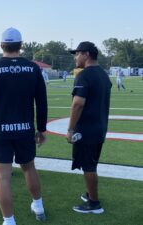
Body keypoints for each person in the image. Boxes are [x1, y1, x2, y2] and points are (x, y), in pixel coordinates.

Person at [0, 28, 48, 225]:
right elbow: (42, 101)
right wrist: (41, 129)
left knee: (3, 177)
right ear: (21, 45)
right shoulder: (33, 68)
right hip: (25, 128)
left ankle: (9, 221)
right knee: (29, 167)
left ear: (1, 45)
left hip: (0, 129)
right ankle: (38, 206)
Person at [67, 41, 112, 214]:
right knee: (91, 162)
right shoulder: (103, 74)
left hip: (87, 129)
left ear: (86, 54)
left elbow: (78, 103)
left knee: (88, 166)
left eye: (77, 54)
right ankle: (90, 193)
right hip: (99, 126)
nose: (75, 58)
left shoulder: (84, 75)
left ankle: (94, 203)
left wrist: (70, 129)